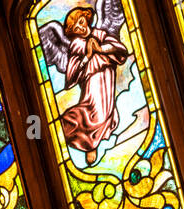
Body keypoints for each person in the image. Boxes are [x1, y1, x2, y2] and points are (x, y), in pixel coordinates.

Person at [40, 5, 130, 166]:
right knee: (96, 113)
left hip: (107, 78)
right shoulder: (76, 45)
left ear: (86, 19)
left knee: (107, 114)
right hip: (92, 80)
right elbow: (71, 75)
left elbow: (119, 49)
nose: (81, 27)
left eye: (81, 22)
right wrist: (88, 57)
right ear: (72, 31)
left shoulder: (101, 33)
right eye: (76, 27)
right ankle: (75, 132)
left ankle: (90, 142)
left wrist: (100, 49)